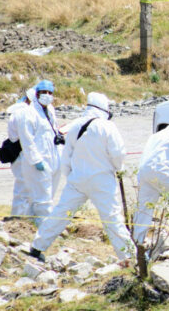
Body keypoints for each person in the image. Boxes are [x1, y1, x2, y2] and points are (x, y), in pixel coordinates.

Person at [30, 92, 132, 263]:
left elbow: (66, 157)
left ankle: (37, 247)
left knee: (61, 213)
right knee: (112, 219)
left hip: (77, 179)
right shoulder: (107, 127)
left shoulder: (75, 125)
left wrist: (72, 176)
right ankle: (130, 256)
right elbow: (118, 153)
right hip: (102, 180)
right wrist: (119, 168)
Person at [132, 106, 169, 244]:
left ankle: (137, 242)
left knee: (144, 209)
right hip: (161, 171)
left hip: (145, 172)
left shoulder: (159, 134)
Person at [17, 79, 62, 226]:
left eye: (50, 93)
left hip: (53, 157)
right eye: (44, 92)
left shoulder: (50, 110)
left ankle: (31, 223)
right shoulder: (29, 113)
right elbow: (27, 139)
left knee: (49, 194)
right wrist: (36, 160)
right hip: (38, 161)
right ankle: (45, 227)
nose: (47, 95)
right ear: (37, 94)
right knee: (42, 197)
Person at [6, 87, 36, 218]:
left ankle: (26, 217)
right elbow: (24, 137)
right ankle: (17, 219)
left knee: (29, 189)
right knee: (23, 188)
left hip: (23, 153)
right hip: (20, 153)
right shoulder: (22, 113)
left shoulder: (23, 111)